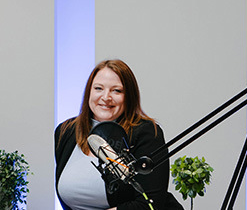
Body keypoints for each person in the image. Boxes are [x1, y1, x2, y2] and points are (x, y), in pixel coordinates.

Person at [55, 59, 183, 210]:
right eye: (98, 88)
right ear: (89, 91)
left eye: (116, 90)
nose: (106, 97)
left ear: (129, 96)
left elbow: (149, 204)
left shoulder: (146, 133)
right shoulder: (66, 131)